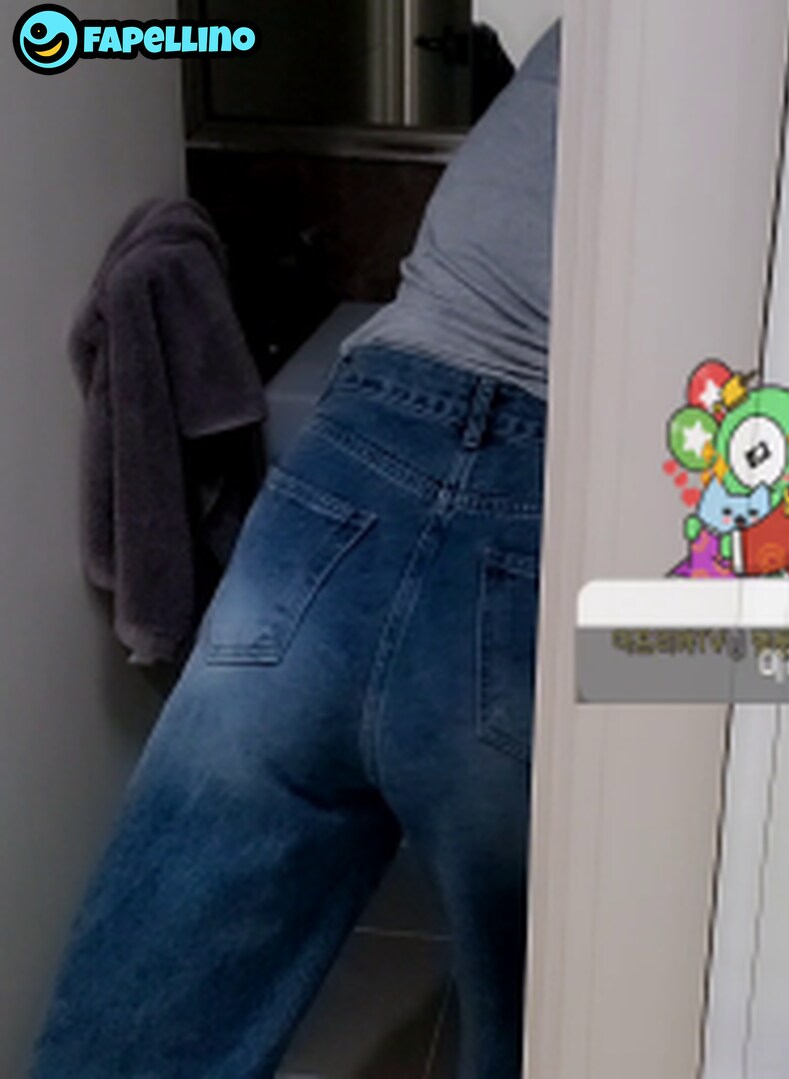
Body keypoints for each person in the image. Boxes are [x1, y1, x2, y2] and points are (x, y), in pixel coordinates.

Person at [32, 22, 560, 1079]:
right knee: (559, 1018)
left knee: (141, 1034)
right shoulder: (773, 75)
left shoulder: (579, 45)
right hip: (547, 485)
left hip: (359, 451)